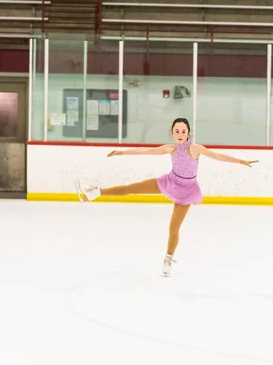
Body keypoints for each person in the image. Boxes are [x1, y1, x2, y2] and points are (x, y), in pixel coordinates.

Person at [76, 118, 258, 276]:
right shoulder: (170, 148)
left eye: (183, 131)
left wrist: (241, 161)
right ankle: (94, 192)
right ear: (172, 132)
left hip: (187, 191)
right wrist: (122, 152)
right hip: (170, 182)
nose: (180, 134)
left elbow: (218, 155)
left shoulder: (195, 148)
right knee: (133, 188)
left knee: (173, 228)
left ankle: (168, 259)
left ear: (188, 132)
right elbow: (147, 152)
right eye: (177, 131)